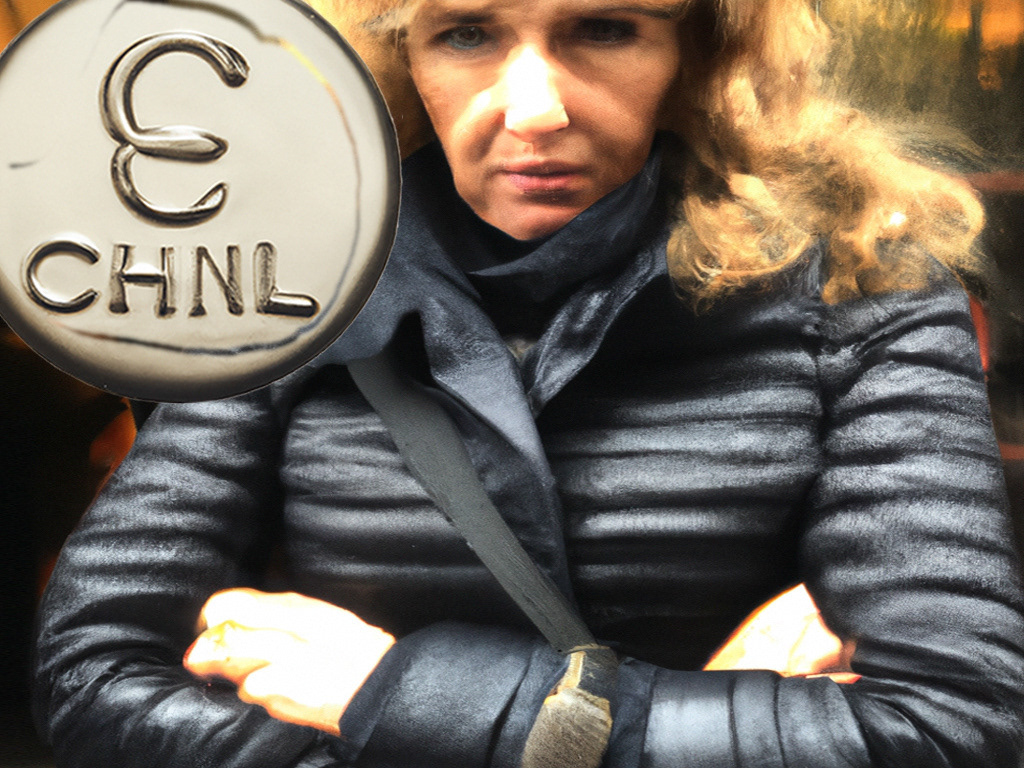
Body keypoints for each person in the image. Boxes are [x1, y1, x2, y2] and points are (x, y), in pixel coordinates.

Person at [33, 0, 1024, 766]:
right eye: (466, 33)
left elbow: (953, 723)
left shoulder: (863, 280)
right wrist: (672, 730)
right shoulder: (281, 280)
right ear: (396, 57)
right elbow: (94, 674)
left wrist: (387, 695)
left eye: (606, 29)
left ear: (697, 52)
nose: (536, 109)